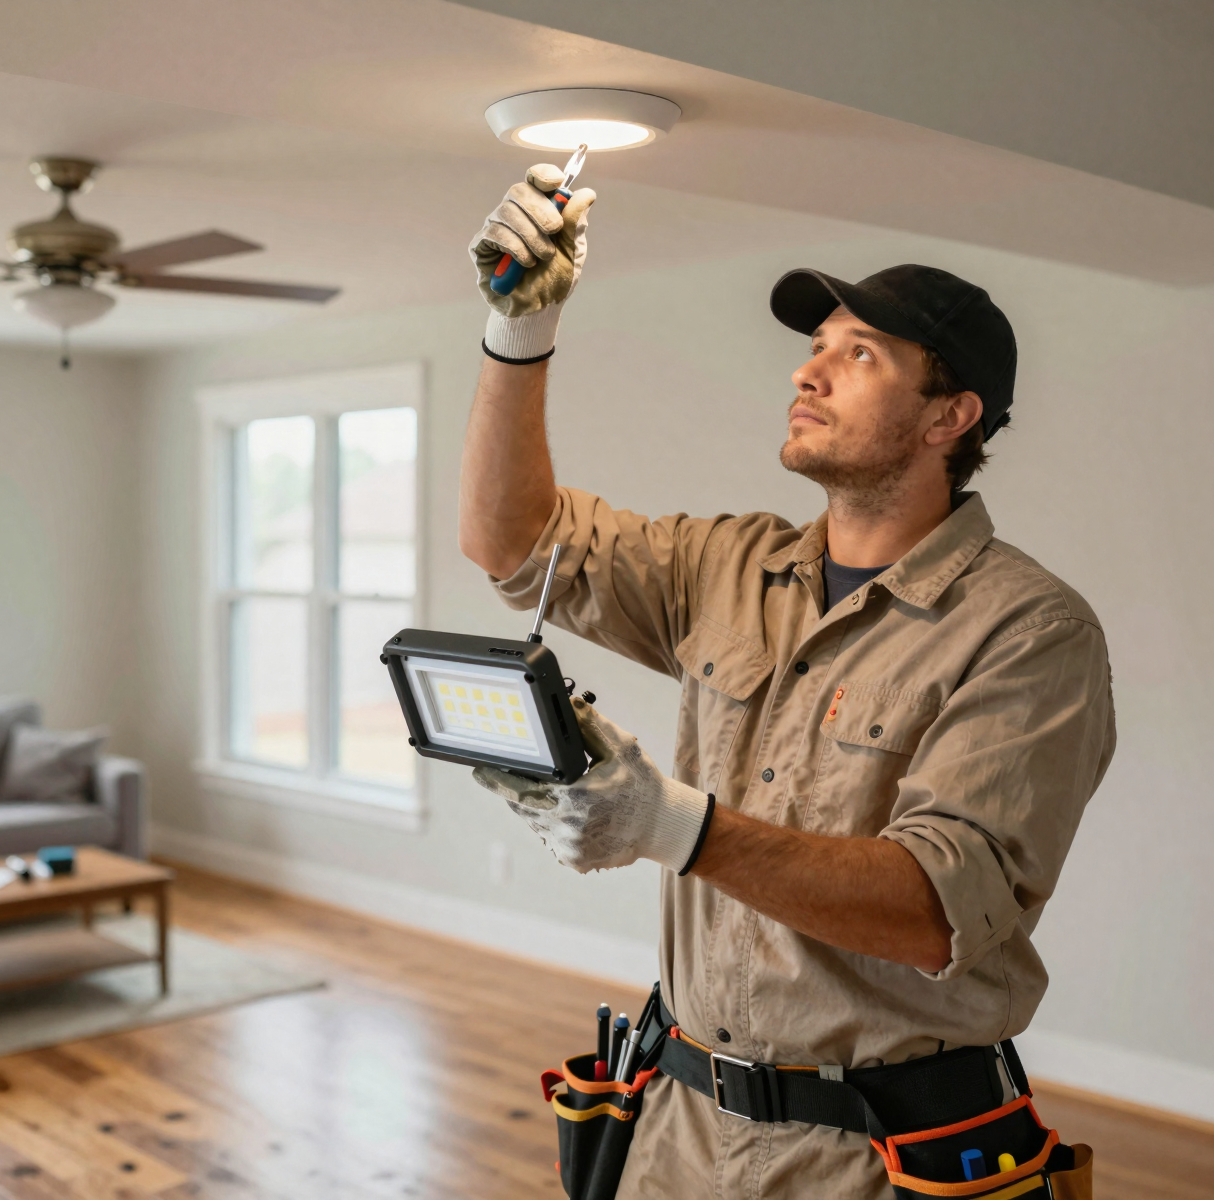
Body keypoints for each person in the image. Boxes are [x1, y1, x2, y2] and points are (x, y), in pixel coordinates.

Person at [459, 165, 1115, 1197]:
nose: (809, 373)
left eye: (859, 355)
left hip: (881, 1157)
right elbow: (513, 545)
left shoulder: (1028, 630)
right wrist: (518, 332)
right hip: (673, 1126)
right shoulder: (728, 566)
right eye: (814, 349)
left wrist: (666, 824)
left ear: (950, 418)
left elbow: (939, 908)